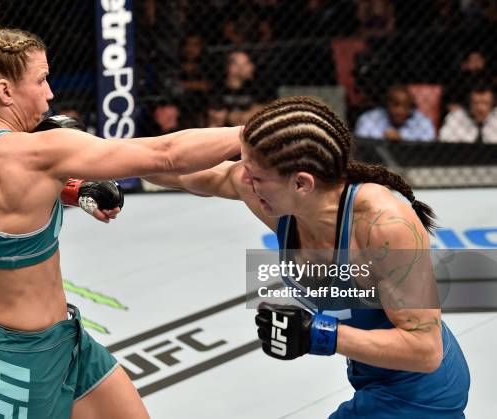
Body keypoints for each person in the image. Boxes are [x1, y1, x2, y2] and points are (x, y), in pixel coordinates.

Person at [0, 12, 240, 419]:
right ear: (5, 90)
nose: (50, 94)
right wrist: (251, 132)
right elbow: (164, 154)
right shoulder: (38, 152)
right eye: (41, 80)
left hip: (67, 338)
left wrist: (75, 191)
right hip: (19, 362)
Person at [145, 96, 470, 418]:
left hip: (421, 395)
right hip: (374, 381)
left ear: (301, 183)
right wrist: (107, 169)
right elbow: (173, 166)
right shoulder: (280, 200)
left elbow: (426, 351)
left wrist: (318, 333)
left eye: (257, 177)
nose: (245, 182)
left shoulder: (383, 226)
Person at [354, 84, 435, 141]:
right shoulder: (368, 119)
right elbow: (361, 144)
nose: (400, 111)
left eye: (406, 106)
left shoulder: (422, 122)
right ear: (386, 104)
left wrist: (402, 138)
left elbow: (430, 141)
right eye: (395, 105)